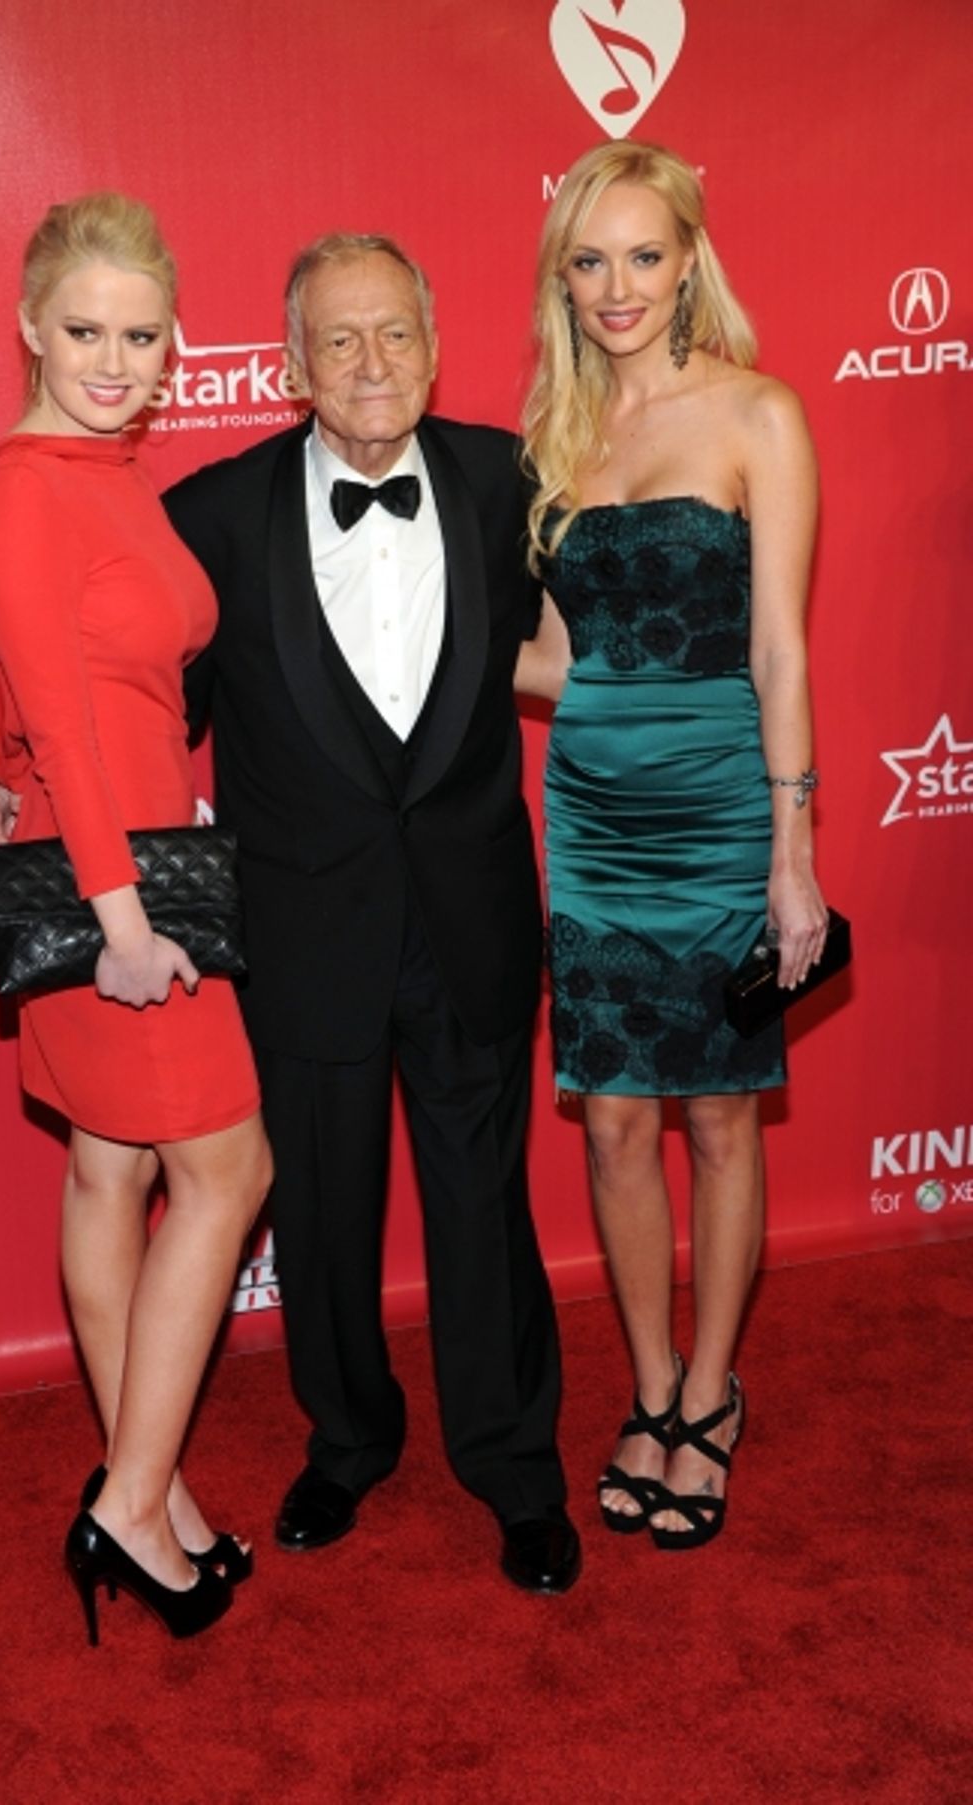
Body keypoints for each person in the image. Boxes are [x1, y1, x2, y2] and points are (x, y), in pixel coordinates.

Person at [165, 234, 577, 1592]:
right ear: (291, 363)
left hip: (468, 917)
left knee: (483, 1206)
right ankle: (346, 1441)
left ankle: (515, 1465)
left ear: (435, 341)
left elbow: (592, 655)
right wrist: (21, 782)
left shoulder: (506, 476)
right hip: (302, 928)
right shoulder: (210, 516)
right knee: (325, 1216)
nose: (370, 363)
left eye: (394, 333)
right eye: (338, 340)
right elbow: (138, 709)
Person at [0, 192, 271, 1645]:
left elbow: (5, 710)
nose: (114, 357)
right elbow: (57, 720)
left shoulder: (103, 472)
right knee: (228, 1165)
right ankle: (134, 1504)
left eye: (141, 334)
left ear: (173, 345)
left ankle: (148, 1482)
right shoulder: (28, 483)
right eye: (85, 329)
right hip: (119, 883)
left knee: (110, 1172)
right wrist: (117, 914)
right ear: (28, 323)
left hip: (125, 853)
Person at [516, 142, 829, 1548]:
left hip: (721, 817)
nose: (617, 286)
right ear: (562, 280)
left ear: (691, 257)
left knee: (717, 1111)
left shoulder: (759, 415)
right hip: (588, 816)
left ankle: (711, 1393)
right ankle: (647, 1383)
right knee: (617, 1116)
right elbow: (559, 658)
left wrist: (793, 847)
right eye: (590, 261)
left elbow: (777, 648)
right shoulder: (553, 441)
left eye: (644, 255)